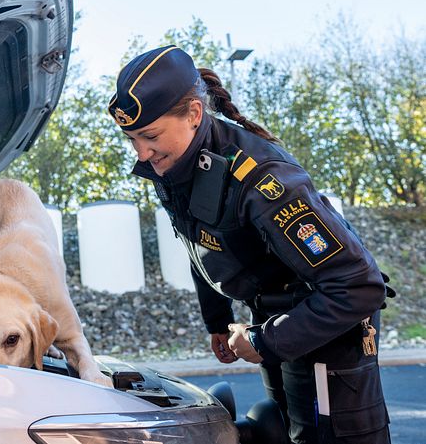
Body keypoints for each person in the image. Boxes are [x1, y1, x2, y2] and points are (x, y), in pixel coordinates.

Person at [107, 45, 394, 444]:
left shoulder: (263, 180)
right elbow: (201, 244)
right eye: (131, 139)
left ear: (193, 114)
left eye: (150, 135)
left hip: (329, 328)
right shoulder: (179, 167)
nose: (141, 152)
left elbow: (358, 288)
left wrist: (264, 340)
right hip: (274, 316)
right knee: (286, 429)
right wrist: (218, 320)